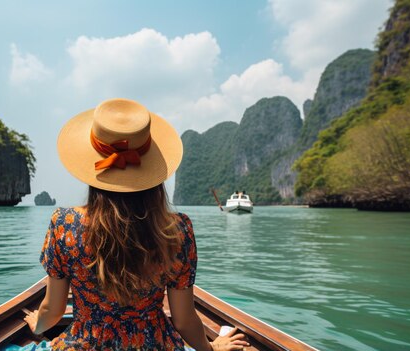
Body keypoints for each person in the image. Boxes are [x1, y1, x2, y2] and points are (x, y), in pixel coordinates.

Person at [23, 98, 250, 350]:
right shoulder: (178, 230)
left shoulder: (64, 224)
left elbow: (53, 311)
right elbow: (184, 321)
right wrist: (211, 348)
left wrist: (38, 325)